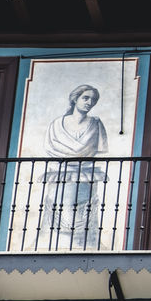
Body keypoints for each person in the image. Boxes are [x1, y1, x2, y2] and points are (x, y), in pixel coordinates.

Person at [40, 84, 109, 249]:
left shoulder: (96, 125)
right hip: (61, 175)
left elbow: (99, 148)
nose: (89, 102)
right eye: (85, 98)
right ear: (75, 99)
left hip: (86, 176)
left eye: (93, 100)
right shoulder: (56, 125)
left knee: (83, 211)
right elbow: (51, 147)